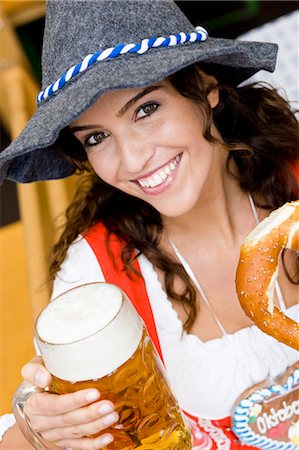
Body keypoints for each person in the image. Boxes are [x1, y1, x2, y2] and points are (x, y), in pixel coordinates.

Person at [0, 0, 298, 449]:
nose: (133, 160)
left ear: (205, 85)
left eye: (146, 109)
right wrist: (34, 432)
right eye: (97, 138)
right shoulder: (96, 279)